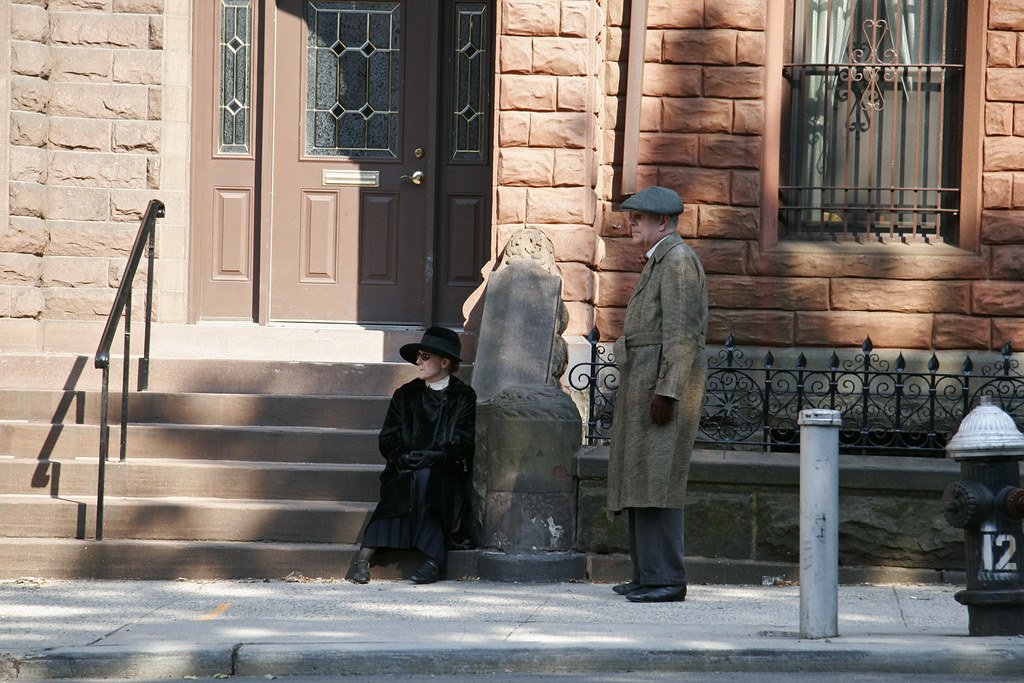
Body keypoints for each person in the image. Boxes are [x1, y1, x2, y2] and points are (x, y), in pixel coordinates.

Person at [606, 185, 708, 603]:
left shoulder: (678, 261)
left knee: (659, 482)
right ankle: (648, 575)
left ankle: (667, 578)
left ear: (663, 222)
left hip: (660, 387)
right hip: (645, 381)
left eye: (639, 217)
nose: (631, 223)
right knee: (642, 479)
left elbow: (682, 335)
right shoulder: (661, 259)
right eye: (631, 217)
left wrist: (667, 391)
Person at [350, 327, 476, 585]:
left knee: (429, 479)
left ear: (445, 362)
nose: (418, 361)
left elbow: (463, 443)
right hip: (404, 467)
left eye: (425, 357)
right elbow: (388, 439)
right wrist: (403, 458)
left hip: (444, 472)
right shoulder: (405, 394)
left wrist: (435, 456)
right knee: (405, 483)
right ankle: (364, 557)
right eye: (418, 356)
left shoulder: (463, 397)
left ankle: (434, 560)